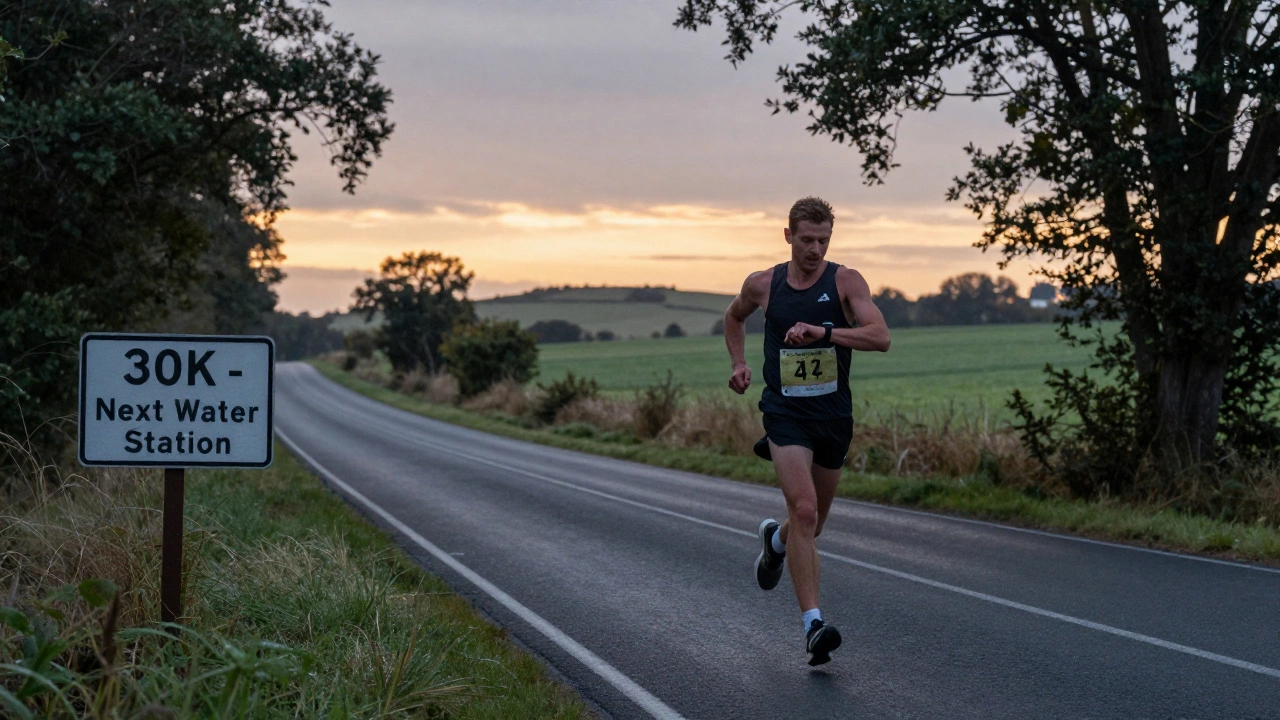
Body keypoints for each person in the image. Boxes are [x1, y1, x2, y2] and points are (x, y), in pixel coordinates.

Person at [723, 196, 890, 666]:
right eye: (806, 240)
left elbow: (880, 337)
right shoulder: (763, 285)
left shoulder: (845, 281)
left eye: (823, 240)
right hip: (784, 413)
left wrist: (826, 333)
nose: (814, 249)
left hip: (833, 417)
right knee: (805, 509)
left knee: (809, 526)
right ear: (788, 236)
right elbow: (733, 317)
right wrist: (739, 363)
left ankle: (775, 543)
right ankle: (813, 625)